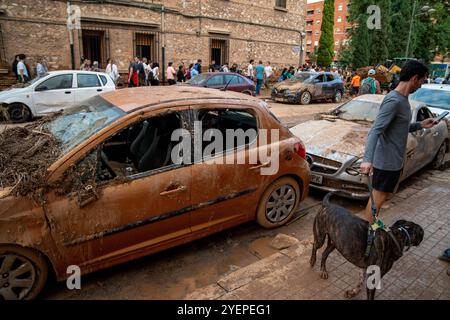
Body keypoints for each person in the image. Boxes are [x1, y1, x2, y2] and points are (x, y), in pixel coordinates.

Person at [360, 60, 438, 224]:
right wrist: (367, 159)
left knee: (380, 199)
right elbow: (376, 130)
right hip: (386, 162)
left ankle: (369, 231)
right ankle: (366, 235)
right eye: (422, 81)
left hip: (394, 162)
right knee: (377, 199)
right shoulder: (394, 100)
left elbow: (398, 128)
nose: (421, 86)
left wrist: (420, 124)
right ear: (414, 78)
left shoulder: (403, 100)